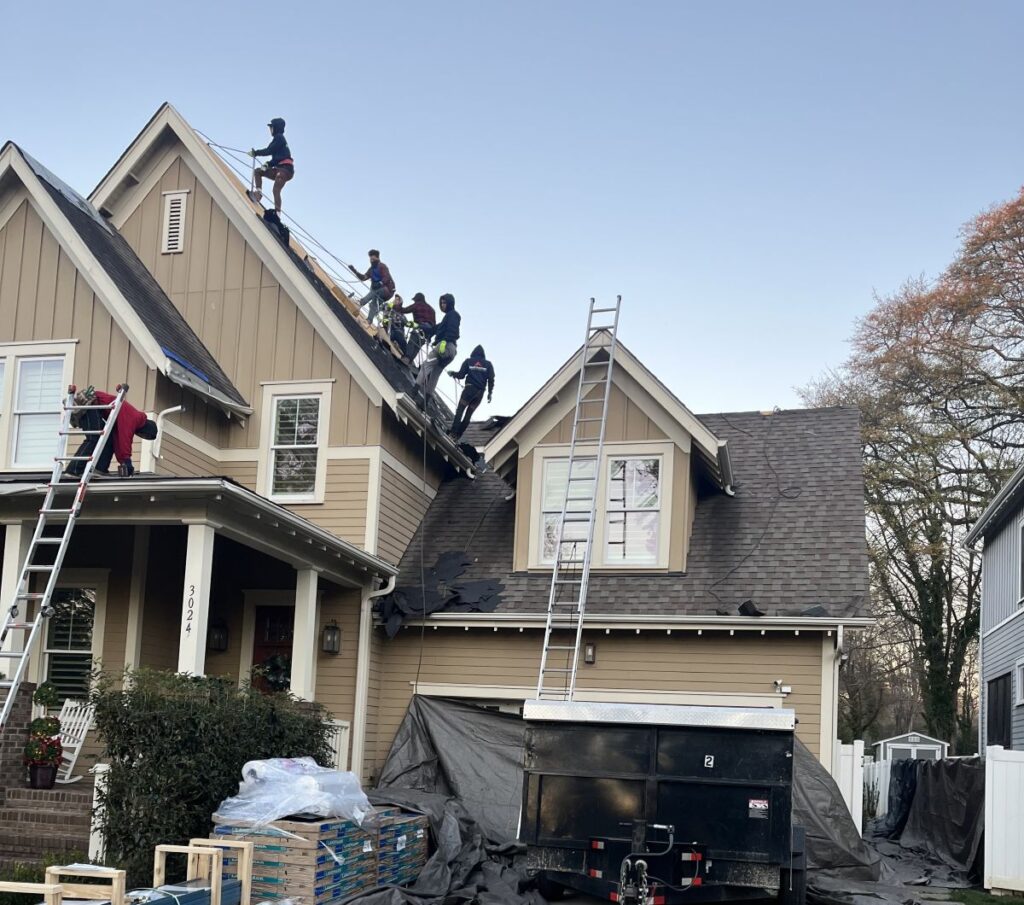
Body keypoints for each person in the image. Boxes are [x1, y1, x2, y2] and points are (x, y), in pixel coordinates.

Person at [67, 387, 157, 478]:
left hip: (94, 407)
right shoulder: (134, 418)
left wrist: (123, 461)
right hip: (90, 403)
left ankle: (100, 469)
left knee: (107, 439)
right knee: (95, 438)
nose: (142, 436)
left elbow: (117, 442)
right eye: (145, 435)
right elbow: (124, 439)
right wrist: (127, 461)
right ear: (146, 429)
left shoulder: (131, 420)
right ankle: (73, 470)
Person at [417, 293, 460, 401]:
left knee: (426, 366)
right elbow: (436, 328)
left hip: (445, 346)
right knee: (435, 374)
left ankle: (414, 390)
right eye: (441, 303)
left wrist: (444, 341)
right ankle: (426, 401)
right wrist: (423, 328)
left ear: (450, 303)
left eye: (444, 302)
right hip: (451, 351)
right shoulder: (448, 317)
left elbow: (453, 330)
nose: (442, 305)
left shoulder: (453, 315)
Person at [447, 345, 495, 440]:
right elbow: (491, 379)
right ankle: (458, 435)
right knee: (468, 415)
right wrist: (490, 393)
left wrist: (453, 373)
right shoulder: (488, 364)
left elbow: (461, 375)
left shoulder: (469, 361)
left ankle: (453, 433)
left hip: (469, 389)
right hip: (480, 393)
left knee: (460, 410)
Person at [248, 118, 294, 213]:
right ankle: (258, 193)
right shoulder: (277, 140)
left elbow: (269, 150)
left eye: (271, 127)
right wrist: (268, 164)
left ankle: (277, 213)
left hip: (285, 170)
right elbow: (275, 159)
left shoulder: (279, 138)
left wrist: (255, 153)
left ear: (275, 128)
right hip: (280, 169)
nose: (270, 130)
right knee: (258, 171)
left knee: (276, 189)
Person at [348, 250, 395, 324]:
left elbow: (387, 277)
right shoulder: (371, 269)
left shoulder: (382, 266)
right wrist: (355, 271)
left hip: (387, 290)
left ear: (377, 258)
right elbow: (364, 277)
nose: (371, 261)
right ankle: (369, 320)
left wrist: (380, 283)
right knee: (374, 303)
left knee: (375, 291)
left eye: (373, 259)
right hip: (377, 291)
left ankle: (360, 302)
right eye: (370, 259)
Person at [391, 291, 436, 364]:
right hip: (429, 330)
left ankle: (407, 358)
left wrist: (395, 306)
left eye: (415, 300)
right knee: (418, 346)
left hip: (420, 326)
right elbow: (434, 326)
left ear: (418, 299)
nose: (414, 301)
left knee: (412, 341)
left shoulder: (418, 304)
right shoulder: (432, 310)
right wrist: (430, 337)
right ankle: (410, 362)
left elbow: (405, 310)